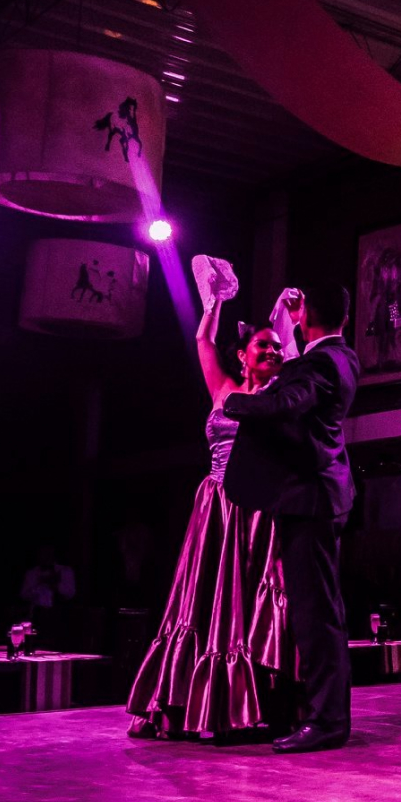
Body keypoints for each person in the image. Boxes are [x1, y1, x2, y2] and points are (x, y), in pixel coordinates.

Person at [127, 268, 291, 740]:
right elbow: (203, 341)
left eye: (277, 348)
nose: (273, 352)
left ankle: (242, 706)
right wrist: (214, 300)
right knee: (202, 599)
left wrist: (289, 325)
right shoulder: (222, 388)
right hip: (215, 504)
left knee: (242, 603)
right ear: (242, 355)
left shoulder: (279, 396)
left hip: (254, 507)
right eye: (264, 345)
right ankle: (182, 706)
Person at [222, 282, 360, 754]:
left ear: (305, 320)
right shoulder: (343, 356)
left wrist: (235, 403)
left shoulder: (317, 364)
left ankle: (327, 722)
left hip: (311, 500)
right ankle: (328, 717)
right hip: (323, 495)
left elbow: (287, 402)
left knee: (314, 615)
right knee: (324, 613)